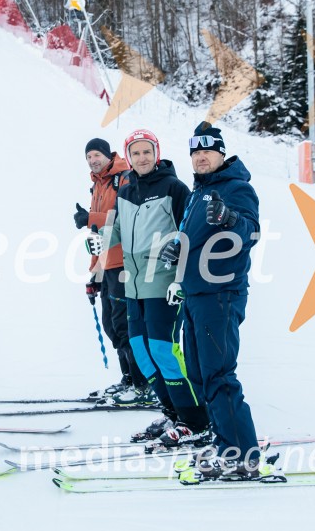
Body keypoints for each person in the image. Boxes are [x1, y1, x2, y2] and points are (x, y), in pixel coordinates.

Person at [158, 121, 263, 478]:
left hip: (221, 295)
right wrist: (178, 250)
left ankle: (240, 457)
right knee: (202, 376)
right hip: (196, 294)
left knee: (218, 375)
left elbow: (250, 231)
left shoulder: (236, 188)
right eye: (196, 152)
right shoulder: (197, 193)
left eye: (208, 151)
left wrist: (232, 218)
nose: (201, 157)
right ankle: (224, 443)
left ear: (221, 153)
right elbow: (195, 238)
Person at [99, 129, 209, 448]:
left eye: (147, 151)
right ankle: (172, 412)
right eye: (136, 153)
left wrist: (180, 278)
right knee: (142, 352)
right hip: (135, 285)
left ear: (156, 153)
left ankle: (195, 418)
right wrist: (101, 238)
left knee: (164, 349)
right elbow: (117, 229)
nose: (142, 158)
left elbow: (190, 231)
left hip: (164, 282)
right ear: (129, 157)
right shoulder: (127, 189)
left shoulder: (173, 187)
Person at [76, 138, 150, 400]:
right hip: (106, 265)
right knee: (111, 324)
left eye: (96, 155)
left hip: (125, 264)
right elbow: (97, 238)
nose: (93, 160)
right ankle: (129, 378)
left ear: (108, 155)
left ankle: (143, 383)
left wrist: (90, 218)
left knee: (124, 324)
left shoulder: (125, 179)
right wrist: (94, 273)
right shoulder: (97, 185)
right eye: (89, 157)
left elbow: (126, 217)